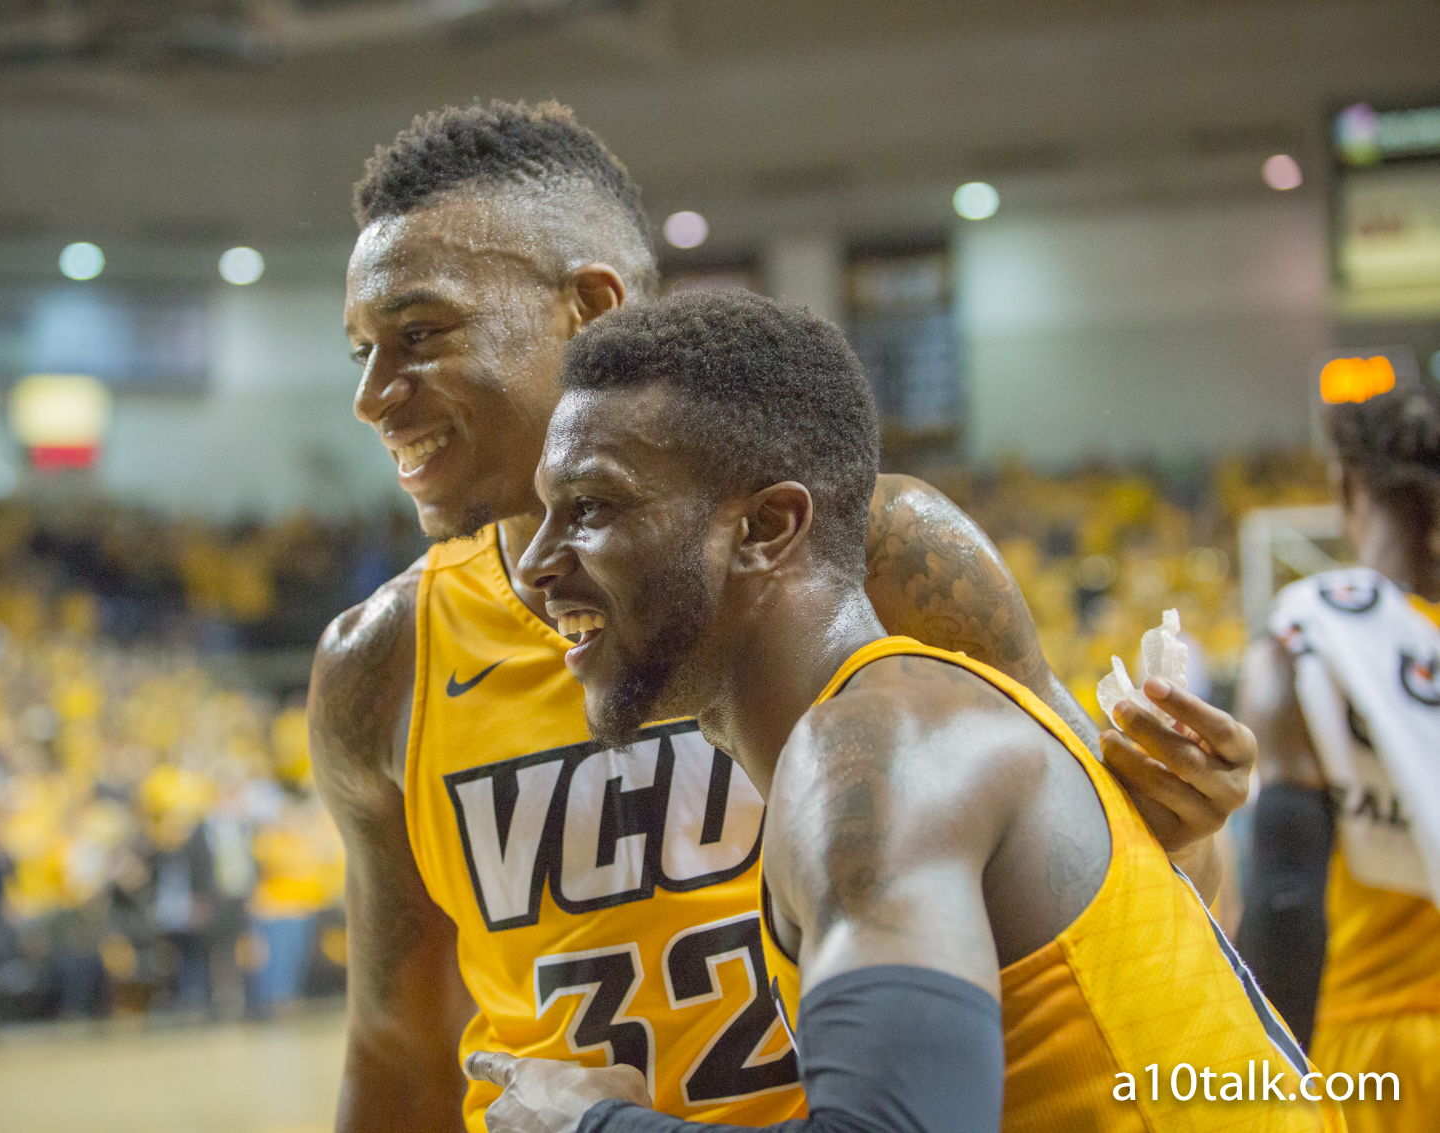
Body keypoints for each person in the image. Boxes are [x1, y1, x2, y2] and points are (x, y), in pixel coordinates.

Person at [315, 100, 1251, 1132]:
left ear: (590, 308)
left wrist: (1182, 820)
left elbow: (1137, 900)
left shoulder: (870, 553)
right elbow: (399, 1054)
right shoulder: (381, 660)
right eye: (360, 349)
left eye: (417, 334)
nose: (371, 394)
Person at [470, 289, 1333, 1133]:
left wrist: (592, 1122)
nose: (536, 563)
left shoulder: (874, 749)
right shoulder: (906, 717)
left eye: (589, 508)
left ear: (767, 528)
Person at [1237, 381, 1440, 1133]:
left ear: (1344, 484)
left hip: (1370, 1055)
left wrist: (1258, 1090)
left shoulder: (1308, 641)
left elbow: (1286, 900)